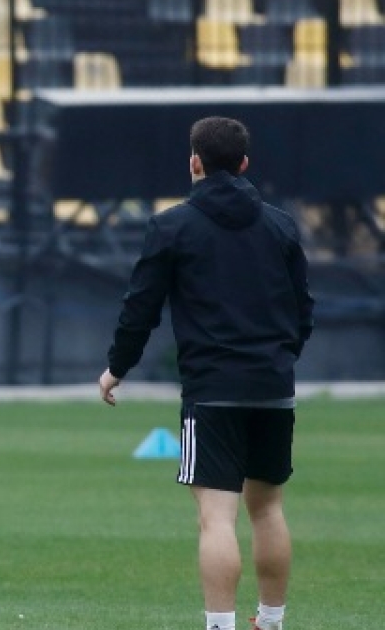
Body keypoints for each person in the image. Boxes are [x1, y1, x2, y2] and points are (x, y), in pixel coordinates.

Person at [97, 117, 313, 630]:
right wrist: (281, 357)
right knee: (268, 510)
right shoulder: (281, 225)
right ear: (244, 164)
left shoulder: (172, 226)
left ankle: (220, 626)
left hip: (212, 389)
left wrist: (117, 368)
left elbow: (140, 308)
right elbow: (303, 308)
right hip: (272, 384)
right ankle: (272, 621)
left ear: (194, 161)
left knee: (217, 518)